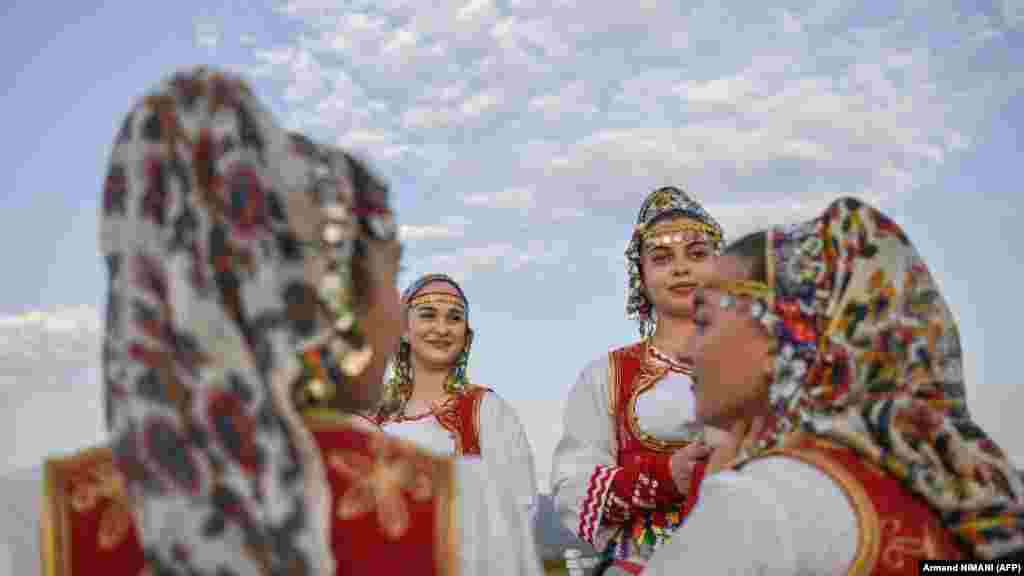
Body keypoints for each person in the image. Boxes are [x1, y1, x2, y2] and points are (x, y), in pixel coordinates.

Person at [100, 66, 542, 576]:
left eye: (453, 316)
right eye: (391, 278)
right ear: (329, 299)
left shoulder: (46, 512)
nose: (402, 319)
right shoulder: (464, 509)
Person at [644, 197, 1024, 575]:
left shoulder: (762, 505)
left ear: (781, 335)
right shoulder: (961, 498)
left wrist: (715, 511)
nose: (691, 351)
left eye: (706, 321)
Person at [550, 186, 729, 575]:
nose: (681, 268)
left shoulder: (768, 364)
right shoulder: (607, 376)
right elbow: (572, 490)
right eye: (663, 258)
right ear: (641, 277)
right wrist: (666, 476)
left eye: (697, 254)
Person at [368, 273, 539, 526]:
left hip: (466, 561)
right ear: (403, 329)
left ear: (465, 334)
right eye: (428, 315)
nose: (442, 328)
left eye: (455, 318)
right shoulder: (372, 416)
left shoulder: (487, 411)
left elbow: (520, 506)